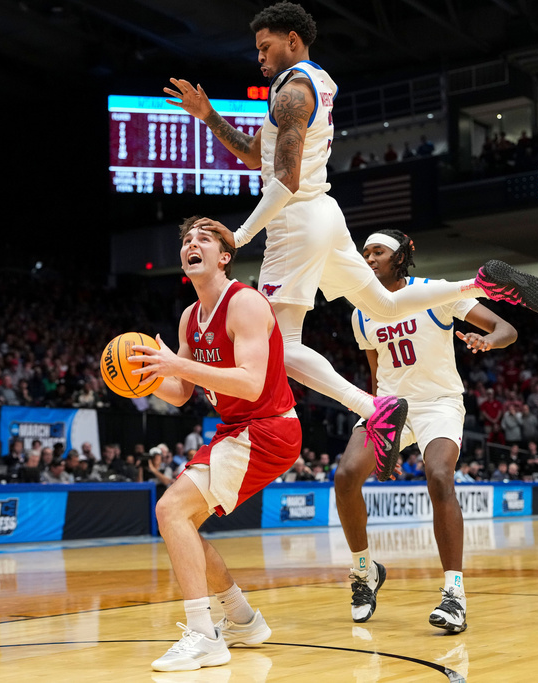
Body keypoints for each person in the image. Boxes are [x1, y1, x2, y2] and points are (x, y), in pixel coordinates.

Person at [164, 1, 538, 481]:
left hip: (296, 220)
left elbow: (282, 180)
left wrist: (241, 235)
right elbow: (255, 155)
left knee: (278, 346)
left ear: (293, 40)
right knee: (386, 307)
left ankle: (373, 408)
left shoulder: (292, 89)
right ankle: (477, 287)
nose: (260, 58)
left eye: (266, 47)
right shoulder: (314, 83)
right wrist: (208, 115)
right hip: (325, 213)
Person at [129, 216, 302, 672]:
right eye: (187, 239)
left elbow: (249, 383)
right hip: (238, 430)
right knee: (181, 520)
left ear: (224, 257)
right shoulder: (190, 317)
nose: (192, 243)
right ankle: (242, 620)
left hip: (268, 426)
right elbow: (181, 393)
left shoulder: (244, 303)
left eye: (204, 239)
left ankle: (203, 635)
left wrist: (175, 365)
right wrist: (143, 381)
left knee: (169, 510)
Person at [335, 229, 517, 634]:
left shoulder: (436, 291)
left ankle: (455, 596)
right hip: (389, 406)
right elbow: (376, 374)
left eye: (377, 251)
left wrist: (487, 342)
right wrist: (387, 441)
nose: (369, 258)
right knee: (346, 476)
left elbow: (507, 329)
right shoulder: (360, 311)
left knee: (438, 475)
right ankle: (364, 572)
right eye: (364, 253)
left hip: (439, 403)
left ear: (400, 256)